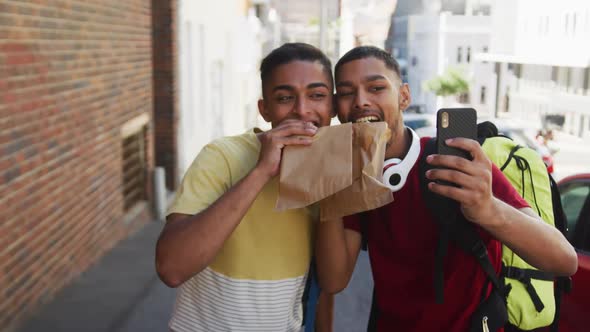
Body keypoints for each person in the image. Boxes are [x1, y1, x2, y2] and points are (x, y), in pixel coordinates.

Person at [315, 46, 578, 332]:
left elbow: (563, 260)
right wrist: (330, 187)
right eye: (346, 92)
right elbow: (333, 280)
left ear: (404, 97)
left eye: (376, 87)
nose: (360, 101)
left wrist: (487, 208)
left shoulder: (458, 161)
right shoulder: (355, 180)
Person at [156, 43, 335, 332]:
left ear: (333, 106)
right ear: (264, 110)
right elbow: (171, 268)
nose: (302, 110)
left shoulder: (330, 172)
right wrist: (262, 171)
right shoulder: (221, 156)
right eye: (285, 97)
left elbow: (324, 288)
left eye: (317, 96)